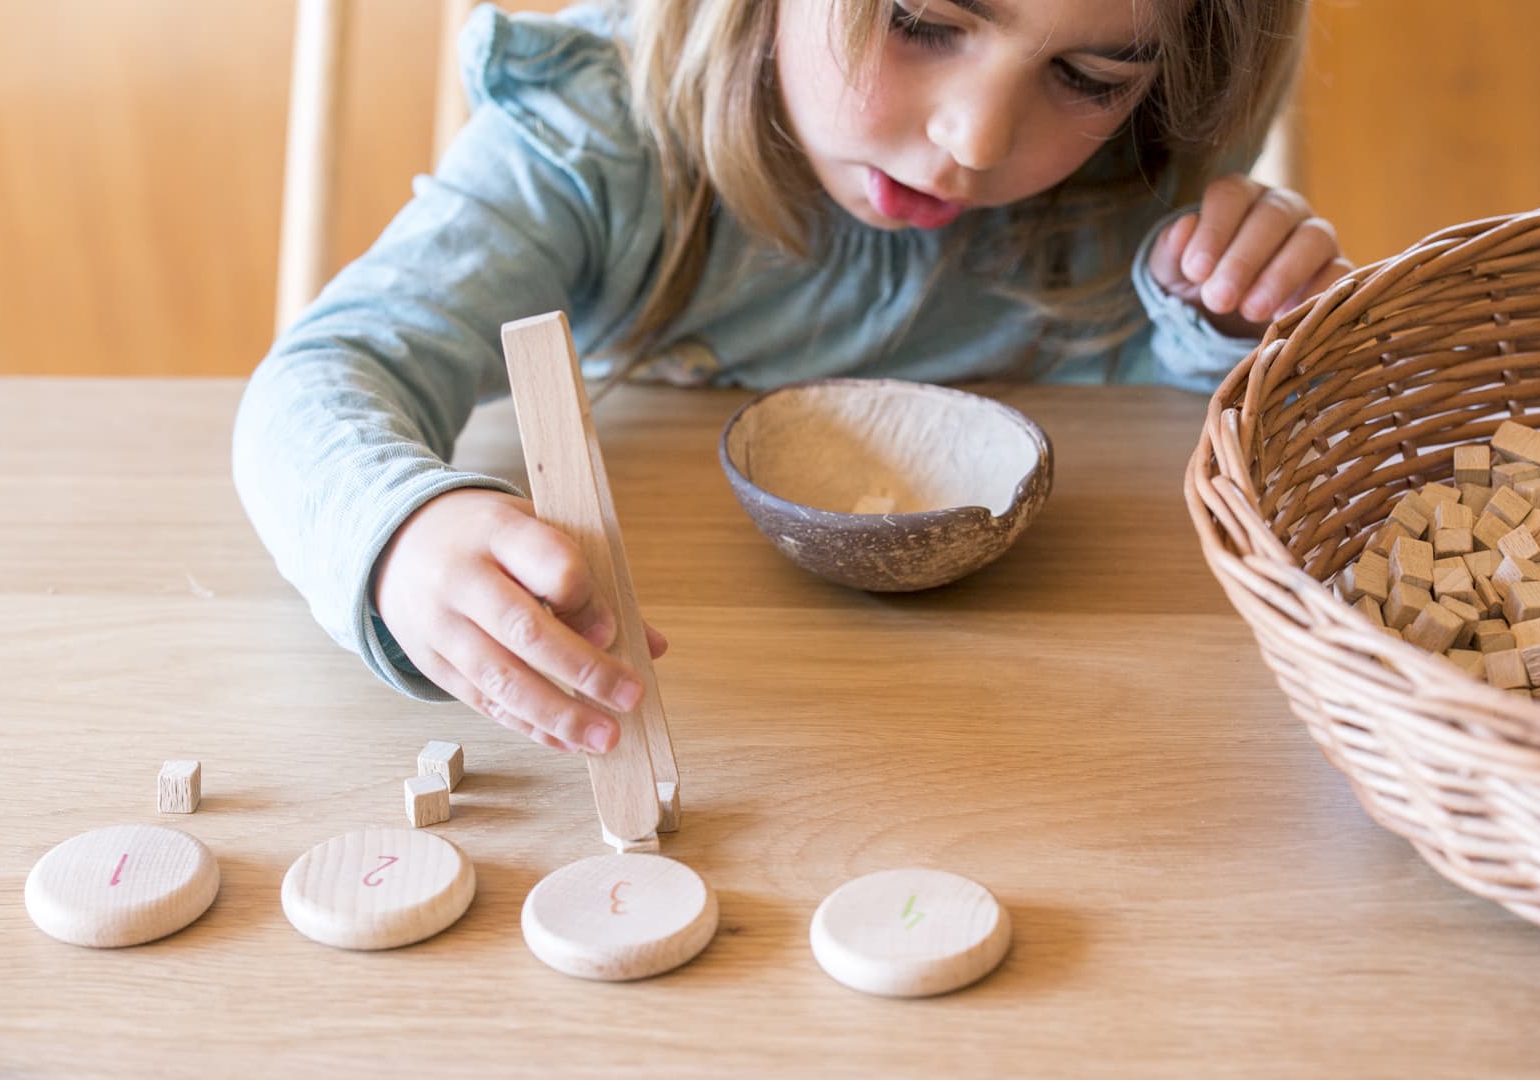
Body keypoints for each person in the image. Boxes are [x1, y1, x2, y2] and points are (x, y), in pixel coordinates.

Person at [233, 0, 1351, 755]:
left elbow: (1155, 423)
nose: (971, 137)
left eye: (1088, 75)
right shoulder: (591, 141)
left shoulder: (1123, 184)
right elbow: (327, 376)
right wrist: (396, 536)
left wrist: (1217, 319)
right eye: (922, 21)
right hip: (733, 714)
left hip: (1036, 727)